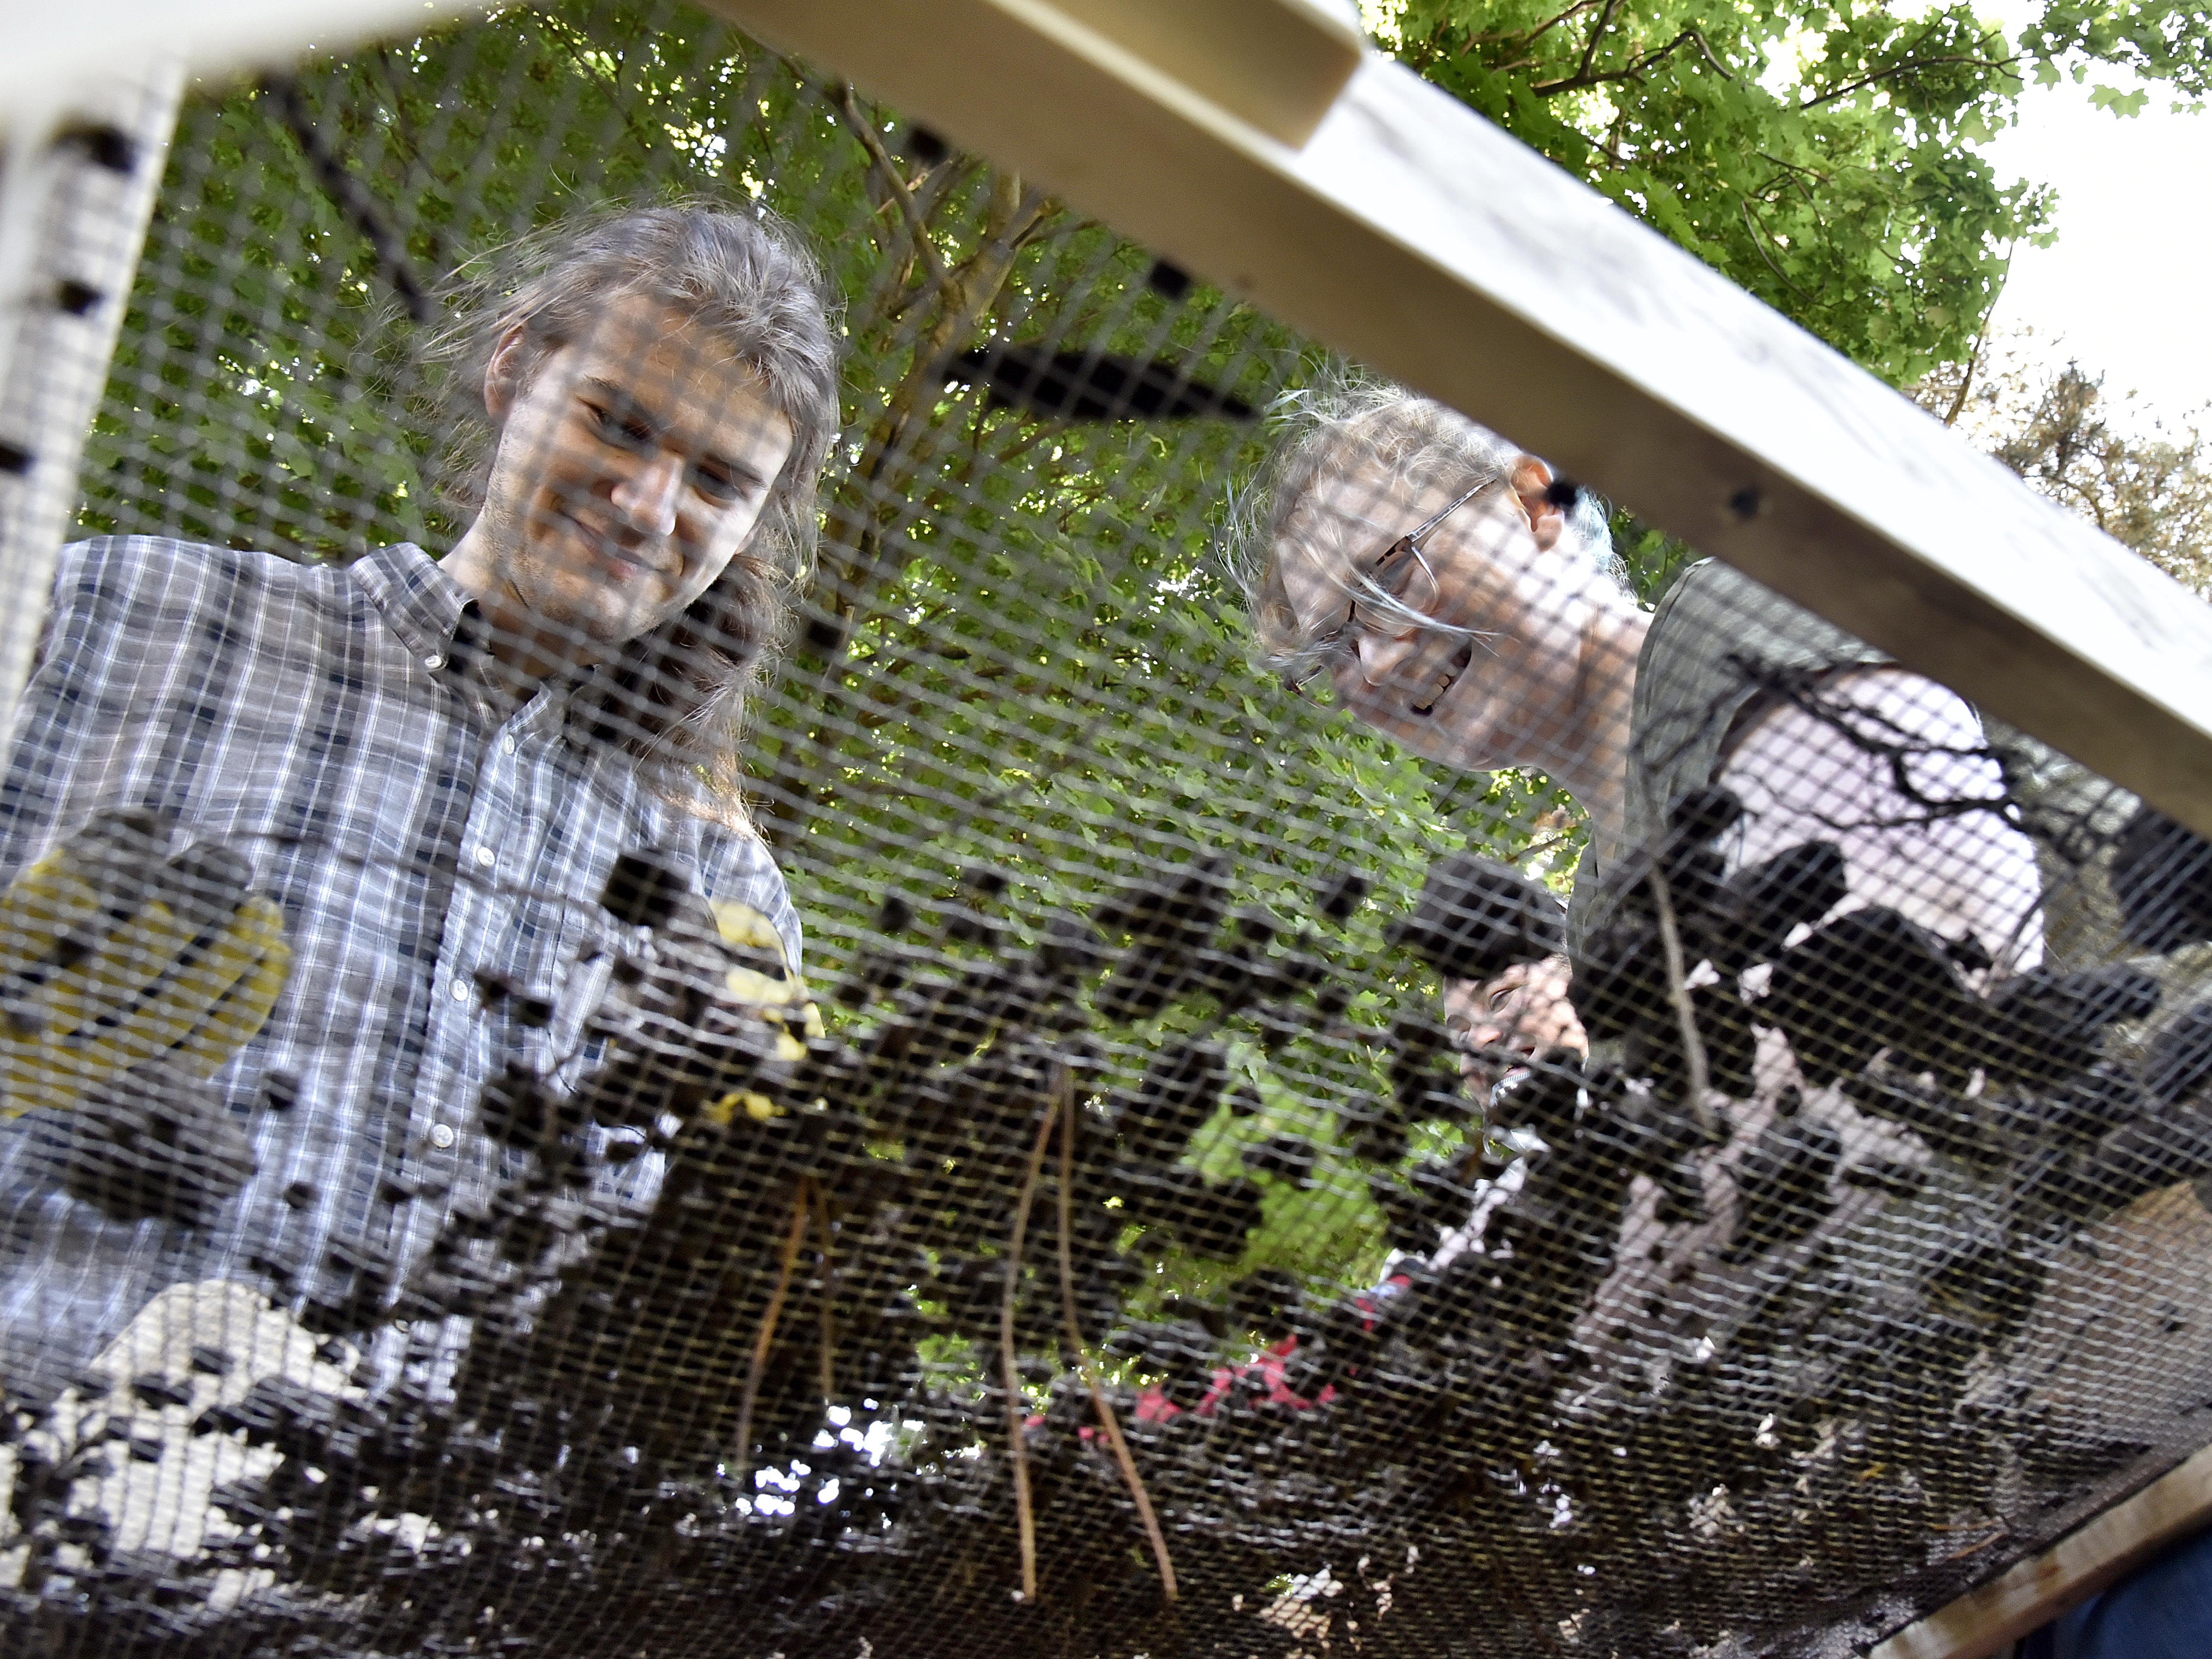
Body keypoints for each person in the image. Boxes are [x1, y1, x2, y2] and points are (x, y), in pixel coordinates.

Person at [1231, 372, 2212, 1657]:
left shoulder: (1734, 618)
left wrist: (1515, 1256)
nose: (1373, 655)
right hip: (2059, 1507)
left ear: (1538, 498)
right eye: (1327, 646)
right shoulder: (1599, 923)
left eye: (1391, 575)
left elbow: (1888, 1044)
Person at [0, 202, 842, 1398]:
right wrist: (37, 1089)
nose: (649, 504)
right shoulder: (110, 621)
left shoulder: (724, 893)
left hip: (434, 1564)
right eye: (619, 423)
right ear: (514, 368)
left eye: (715, 479)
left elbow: (715, 1312)